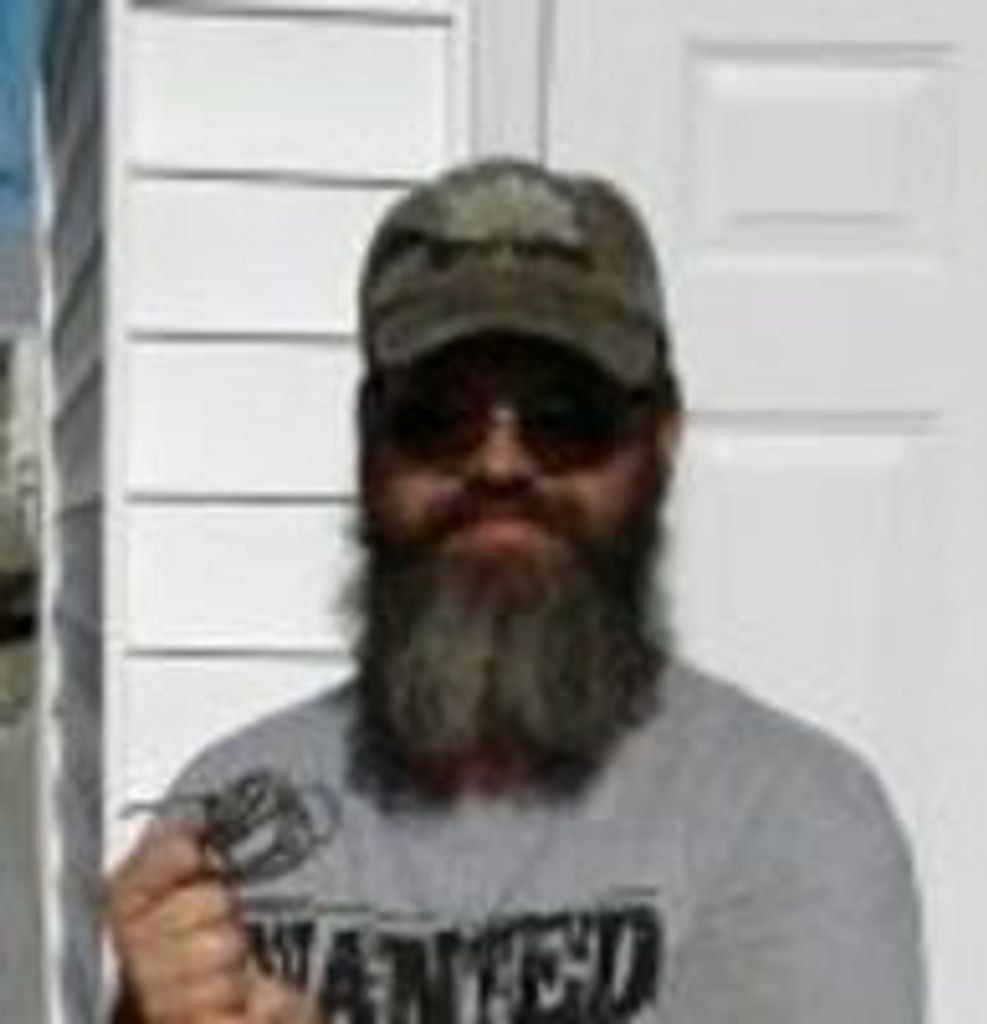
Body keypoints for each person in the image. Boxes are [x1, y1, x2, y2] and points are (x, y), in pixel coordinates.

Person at [106, 158, 925, 1023]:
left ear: (661, 441)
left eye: (566, 419)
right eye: (439, 418)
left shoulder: (788, 818)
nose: (500, 463)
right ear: (368, 439)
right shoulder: (230, 816)